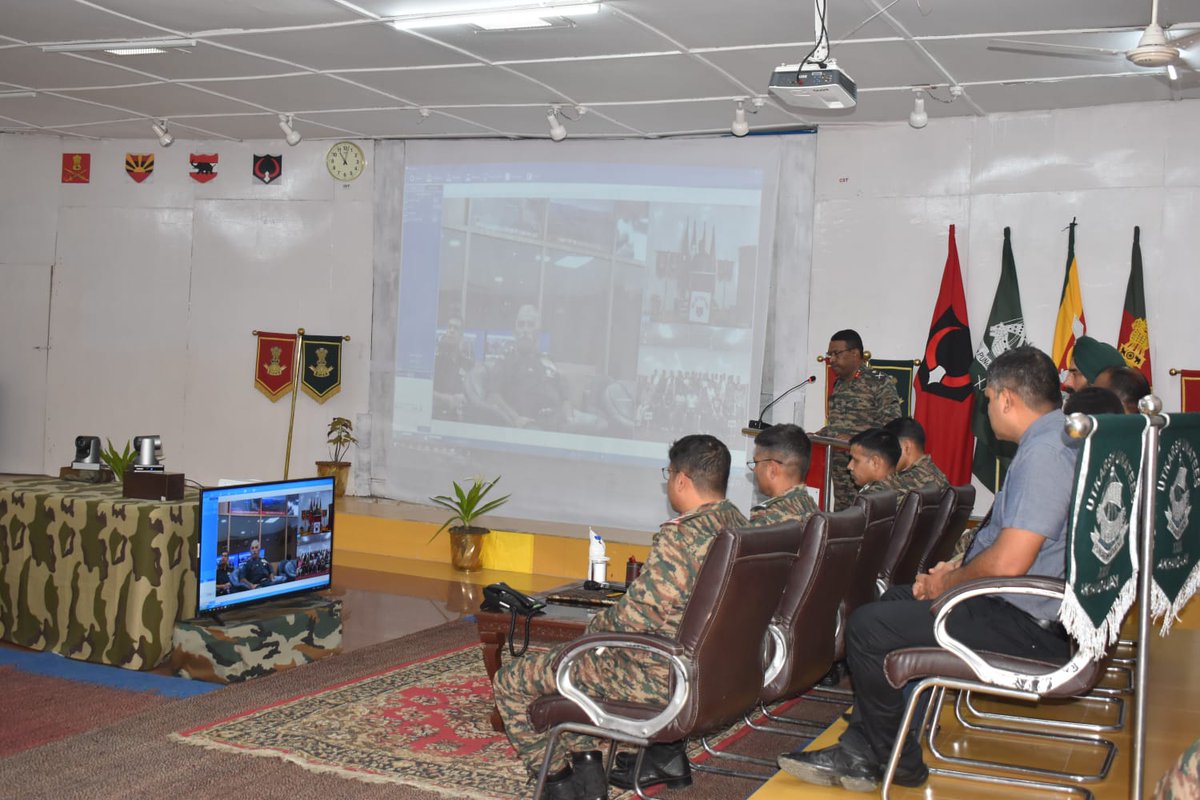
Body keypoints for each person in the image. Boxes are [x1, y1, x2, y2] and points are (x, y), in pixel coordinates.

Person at [778, 345, 1078, 792]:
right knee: (893, 602)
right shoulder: (1058, 439)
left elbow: (1013, 560)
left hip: (1028, 622)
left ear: (1007, 399)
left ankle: (892, 759)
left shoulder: (1046, 454)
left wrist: (951, 583)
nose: (988, 409)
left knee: (868, 626)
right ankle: (867, 747)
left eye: (989, 399)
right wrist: (953, 572)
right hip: (1024, 604)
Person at [491, 435, 746, 800]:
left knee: (511, 680)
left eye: (669, 473)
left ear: (682, 480)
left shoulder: (681, 537)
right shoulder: (741, 525)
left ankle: (557, 783)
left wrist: (595, 630)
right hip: (716, 670)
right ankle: (590, 772)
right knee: (576, 663)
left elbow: (640, 614)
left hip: (658, 674)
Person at [488, 305, 606, 434]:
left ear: (538, 333)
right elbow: (493, 396)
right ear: (515, 332)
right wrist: (516, 418)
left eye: (530, 325)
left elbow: (564, 397)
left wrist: (569, 416)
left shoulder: (546, 360)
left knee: (600, 423)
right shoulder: (506, 360)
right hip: (534, 423)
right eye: (521, 325)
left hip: (559, 418)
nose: (525, 330)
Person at [818, 329, 901, 511]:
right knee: (843, 516)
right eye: (829, 355)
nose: (831, 360)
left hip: (867, 469)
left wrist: (851, 439)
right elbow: (838, 425)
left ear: (855, 353)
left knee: (864, 517)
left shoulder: (878, 382)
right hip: (840, 469)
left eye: (836, 354)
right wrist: (819, 436)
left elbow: (891, 427)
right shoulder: (839, 384)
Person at [748, 423, 819, 527]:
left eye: (756, 463)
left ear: (772, 470)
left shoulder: (765, 520)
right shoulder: (814, 511)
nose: (754, 470)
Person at [882, 417, 950, 493]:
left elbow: (871, 500)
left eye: (889, 448)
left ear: (906, 447)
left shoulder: (907, 481)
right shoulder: (936, 472)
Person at [432, 315, 474, 419]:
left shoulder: (467, 363)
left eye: (456, 328)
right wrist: (448, 399)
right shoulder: (436, 361)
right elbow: (424, 391)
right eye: (449, 327)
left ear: (461, 335)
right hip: (439, 417)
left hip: (460, 419)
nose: (451, 330)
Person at [846, 428, 901, 495]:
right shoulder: (904, 486)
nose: (849, 466)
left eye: (856, 460)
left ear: (875, 463)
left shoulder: (872, 498)